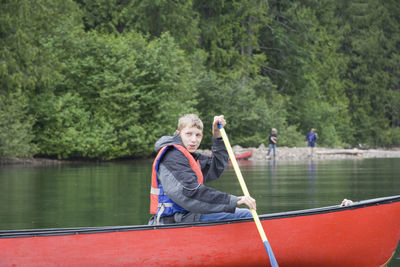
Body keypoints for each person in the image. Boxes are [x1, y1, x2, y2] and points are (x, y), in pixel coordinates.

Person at [148, 114, 256, 225]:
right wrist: (234, 200)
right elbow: (189, 192)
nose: (194, 140)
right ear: (178, 134)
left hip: (188, 215)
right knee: (245, 215)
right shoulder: (172, 156)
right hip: (172, 221)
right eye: (189, 134)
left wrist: (218, 136)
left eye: (198, 135)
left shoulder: (191, 157)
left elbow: (216, 166)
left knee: (245, 214)